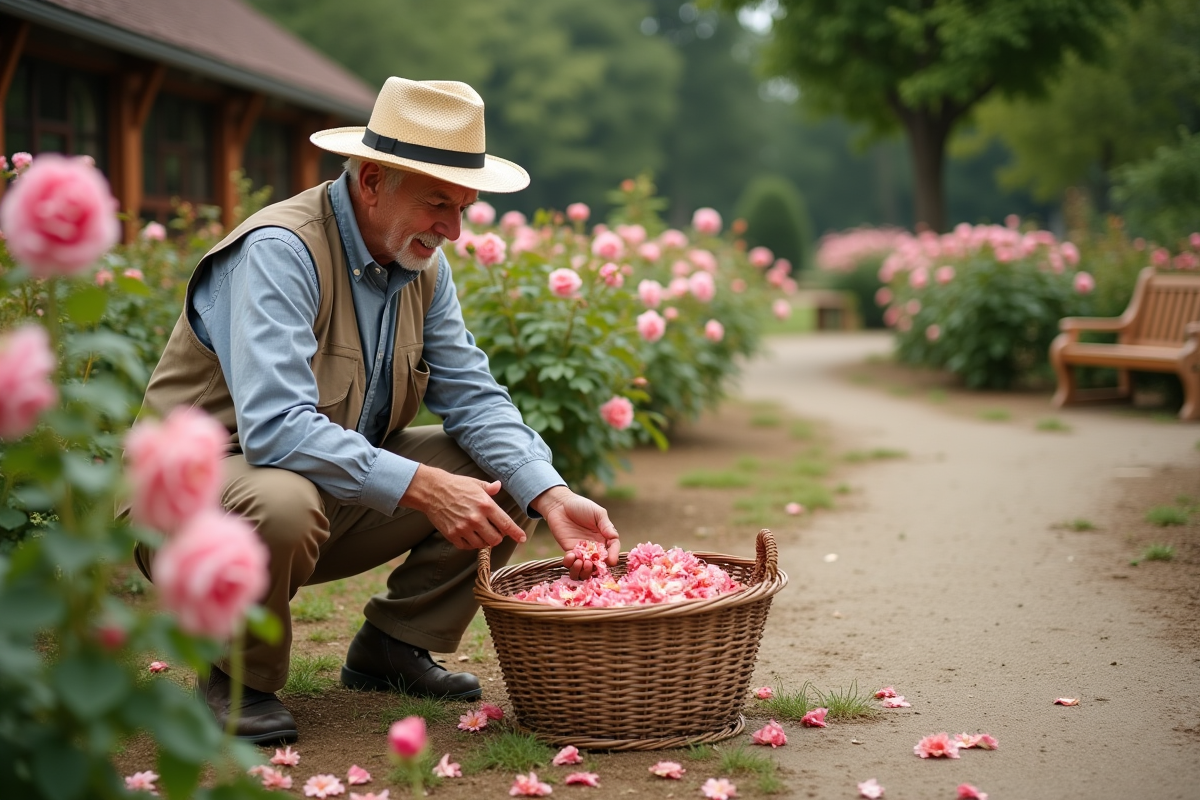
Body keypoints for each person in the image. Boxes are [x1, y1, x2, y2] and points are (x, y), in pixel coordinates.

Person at [133, 76, 620, 744]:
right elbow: (274, 429)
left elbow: (475, 398)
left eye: (464, 206)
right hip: (194, 497)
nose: (453, 229)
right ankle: (236, 675)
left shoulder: (422, 265)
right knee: (283, 501)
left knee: (505, 474)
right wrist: (424, 486)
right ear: (370, 181)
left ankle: (395, 645)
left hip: (314, 488)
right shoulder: (280, 251)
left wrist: (551, 493)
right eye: (438, 203)